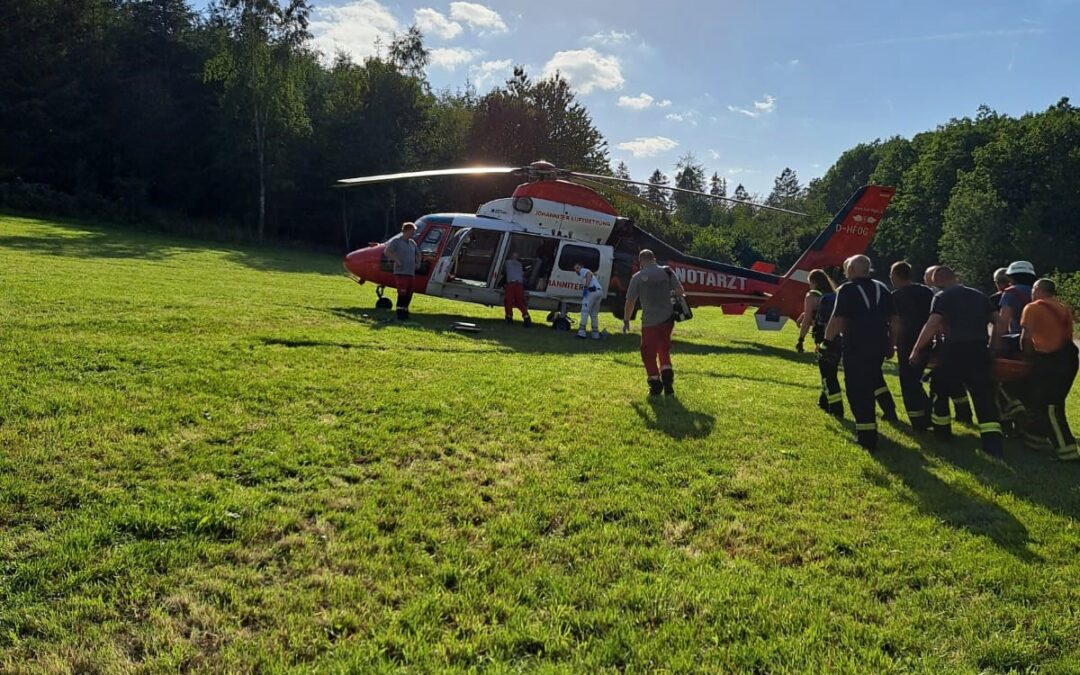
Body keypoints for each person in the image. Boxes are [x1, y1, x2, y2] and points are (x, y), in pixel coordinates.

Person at [910, 266, 1003, 456]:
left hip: (953, 351)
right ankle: (993, 444)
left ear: (939, 281)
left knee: (939, 390)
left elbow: (933, 324)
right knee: (983, 397)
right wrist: (993, 348)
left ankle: (942, 434)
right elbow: (999, 323)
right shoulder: (979, 295)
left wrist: (917, 349)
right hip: (978, 350)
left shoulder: (941, 297)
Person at [822, 255, 898, 450]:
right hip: (878, 345)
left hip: (856, 345)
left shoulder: (848, 289)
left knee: (857, 389)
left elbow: (837, 318)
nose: (846, 273)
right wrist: (890, 344)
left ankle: (866, 436)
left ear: (853, 270)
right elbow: (894, 320)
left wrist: (826, 342)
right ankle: (882, 417)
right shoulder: (882, 288)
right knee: (872, 379)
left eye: (847, 269)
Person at [1019, 279, 1078, 460]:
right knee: (1042, 401)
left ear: (1037, 290)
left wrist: (1027, 356)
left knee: (1050, 407)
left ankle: (1067, 451)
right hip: (1068, 358)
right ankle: (1034, 441)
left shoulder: (1033, 308)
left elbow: (1026, 337)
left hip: (1050, 361)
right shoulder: (1062, 308)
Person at [623, 249, 685, 396]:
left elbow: (630, 301)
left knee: (648, 353)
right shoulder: (668, 272)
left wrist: (626, 320)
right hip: (667, 319)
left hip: (650, 321)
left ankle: (655, 383)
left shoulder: (637, 277)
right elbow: (680, 291)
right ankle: (667, 378)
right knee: (663, 349)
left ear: (641, 261)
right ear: (654, 259)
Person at [890, 261, 934, 430]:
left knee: (908, 381)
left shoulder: (896, 296)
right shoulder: (926, 292)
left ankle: (918, 420)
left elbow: (896, 323)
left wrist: (892, 343)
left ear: (895, 276)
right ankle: (928, 413)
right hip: (926, 340)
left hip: (907, 342)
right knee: (916, 379)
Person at [797, 270, 843, 417]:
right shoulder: (834, 294)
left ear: (813, 282)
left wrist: (801, 339)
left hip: (823, 338)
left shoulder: (811, 295)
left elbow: (807, 322)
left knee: (826, 373)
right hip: (839, 337)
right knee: (831, 370)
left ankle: (835, 407)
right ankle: (823, 401)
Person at [384, 221, 421, 320]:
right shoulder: (396, 241)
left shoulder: (412, 243)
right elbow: (387, 251)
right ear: (407, 231)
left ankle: (405, 310)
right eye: (413, 231)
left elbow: (418, 253)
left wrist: (418, 263)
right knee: (402, 293)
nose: (414, 233)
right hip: (401, 272)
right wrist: (396, 260)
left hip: (410, 272)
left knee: (409, 293)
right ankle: (400, 312)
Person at [502, 251, 532, 327]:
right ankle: (526, 317)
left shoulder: (507, 262)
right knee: (519, 301)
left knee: (508, 301)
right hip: (519, 284)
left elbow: (503, 272)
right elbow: (522, 274)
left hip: (511, 284)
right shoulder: (519, 264)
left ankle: (509, 318)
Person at [574, 262, 603, 339]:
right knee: (594, 313)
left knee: (584, 311)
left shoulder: (583, 270)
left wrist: (586, 286)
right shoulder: (582, 274)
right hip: (599, 292)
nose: (576, 270)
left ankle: (581, 332)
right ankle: (595, 334)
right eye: (575, 269)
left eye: (577, 268)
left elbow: (589, 274)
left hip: (592, 292)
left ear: (581, 267)